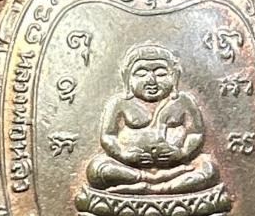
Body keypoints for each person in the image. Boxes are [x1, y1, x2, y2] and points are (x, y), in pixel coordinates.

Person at [86, 43, 219, 194]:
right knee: (97, 169)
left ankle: (158, 188)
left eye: (161, 74)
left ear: (174, 77)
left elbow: (195, 133)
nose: (151, 80)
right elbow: (108, 136)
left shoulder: (183, 101)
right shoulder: (119, 103)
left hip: (178, 168)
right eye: (141, 74)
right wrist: (124, 154)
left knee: (209, 169)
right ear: (127, 78)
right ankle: (146, 180)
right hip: (129, 168)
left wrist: (182, 153)